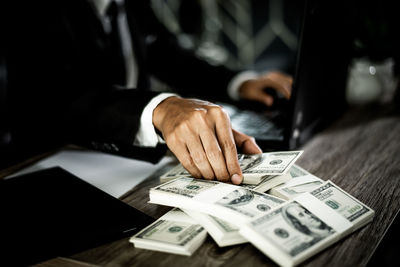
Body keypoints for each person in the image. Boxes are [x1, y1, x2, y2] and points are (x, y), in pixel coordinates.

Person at [0, 0, 292, 184]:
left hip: (132, 162)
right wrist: (160, 109)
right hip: (46, 165)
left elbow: (171, 56)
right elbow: (53, 96)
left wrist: (239, 82)